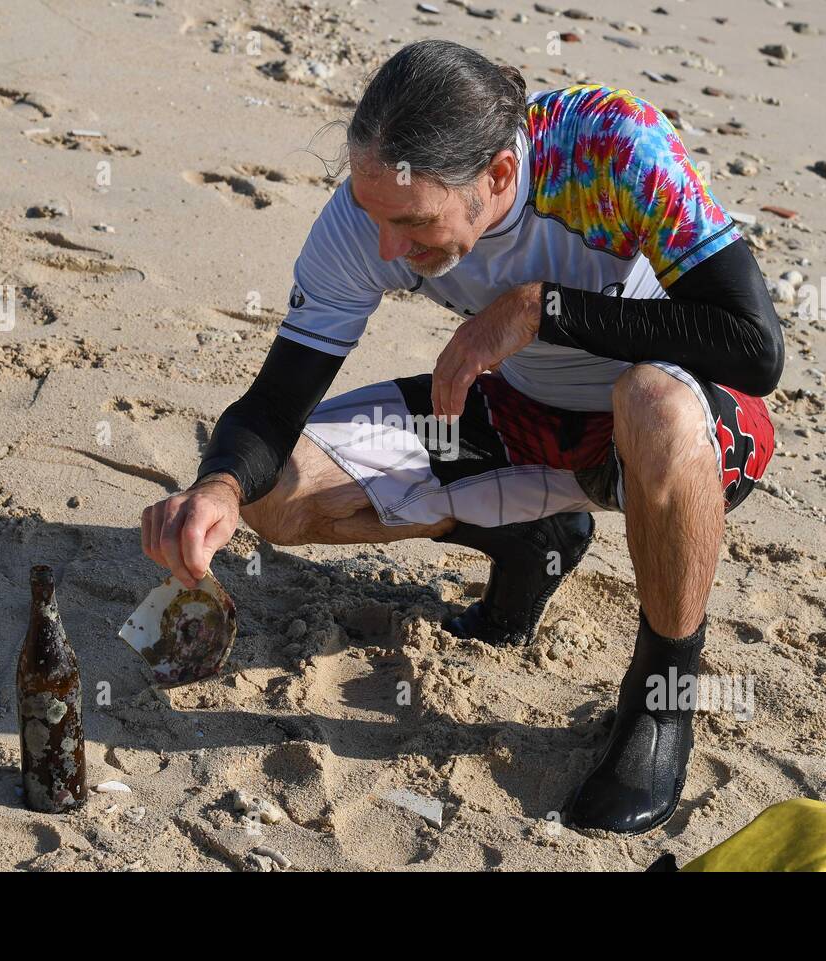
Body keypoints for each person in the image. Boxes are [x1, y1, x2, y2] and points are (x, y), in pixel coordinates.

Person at [142, 40, 783, 835]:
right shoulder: (372, 212)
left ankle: (662, 694)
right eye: (372, 214)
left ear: (500, 179)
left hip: (678, 429)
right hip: (516, 414)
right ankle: (533, 536)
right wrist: (220, 486)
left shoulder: (611, 149)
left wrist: (542, 309)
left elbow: (755, 347)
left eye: (411, 224)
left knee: (651, 400)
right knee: (279, 496)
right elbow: (276, 403)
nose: (387, 249)